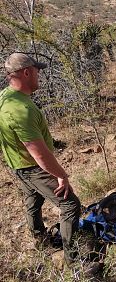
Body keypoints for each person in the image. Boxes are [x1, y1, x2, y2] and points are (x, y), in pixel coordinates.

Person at [0, 53, 81, 265]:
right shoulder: (20, 109)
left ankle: (41, 240)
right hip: (32, 167)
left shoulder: (6, 97)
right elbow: (40, 155)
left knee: (33, 202)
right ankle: (73, 260)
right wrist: (62, 176)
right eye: (37, 70)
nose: (39, 75)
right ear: (26, 72)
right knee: (70, 205)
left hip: (18, 164)